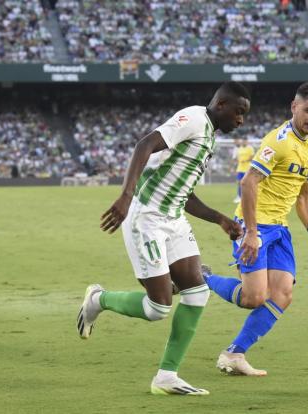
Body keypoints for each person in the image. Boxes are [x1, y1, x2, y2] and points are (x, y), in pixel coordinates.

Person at [76, 82, 250, 396]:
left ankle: (167, 377)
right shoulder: (195, 119)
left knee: (197, 293)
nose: (241, 121)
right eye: (238, 113)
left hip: (174, 220)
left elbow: (185, 194)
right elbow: (145, 144)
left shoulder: (208, 136)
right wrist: (126, 196)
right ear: (221, 104)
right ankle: (97, 300)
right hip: (147, 218)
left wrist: (220, 219)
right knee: (158, 308)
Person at [203, 82, 308, 376]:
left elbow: (303, 195)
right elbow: (248, 183)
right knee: (253, 298)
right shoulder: (279, 141)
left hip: (280, 229)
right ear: (294, 107)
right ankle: (203, 277)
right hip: (255, 225)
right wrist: (249, 232)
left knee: (282, 294)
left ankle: (235, 354)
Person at [233, 137, 255, 203]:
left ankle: (249, 197)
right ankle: (239, 196)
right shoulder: (239, 149)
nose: (244, 142)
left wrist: (245, 160)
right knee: (239, 183)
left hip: (247, 168)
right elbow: (236, 158)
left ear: (247, 142)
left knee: (248, 183)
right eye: (243, 141)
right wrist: (238, 160)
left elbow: (252, 157)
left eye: (245, 141)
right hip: (240, 168)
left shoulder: (250, 148)